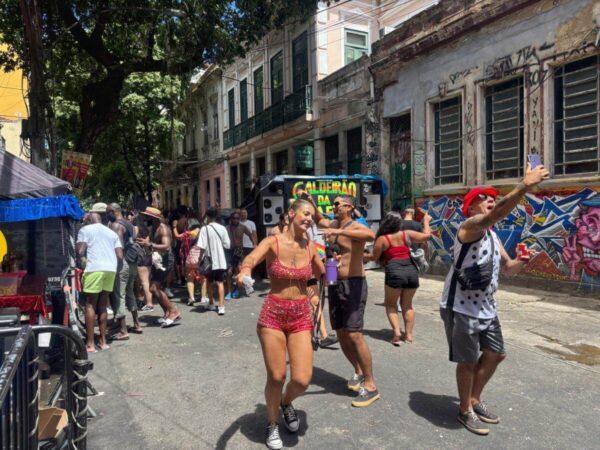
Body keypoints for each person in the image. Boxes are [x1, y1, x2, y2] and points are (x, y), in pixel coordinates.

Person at [440, 163, 548, 436]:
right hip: (461, 307)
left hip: (486, 307)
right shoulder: (469, 227)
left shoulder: (492, 235)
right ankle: (465, 410)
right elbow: (497, 214)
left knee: (496, 353)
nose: (490, 200)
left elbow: (508, 268)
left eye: (492, 197)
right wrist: (524, 185)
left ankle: (474, 399)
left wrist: (522, 261)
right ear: (471, 207)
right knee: (467, 361)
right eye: (483, 198)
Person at [236, 199, 324, 450]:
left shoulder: (310, 247)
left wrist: (322, 285)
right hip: (273, 314)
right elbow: (251, 258)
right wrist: (244, 272)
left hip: (300, 317)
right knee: (276, 375)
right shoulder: (272, 241)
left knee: (303, 379)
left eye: (312, 216)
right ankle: (272, 423)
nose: (309, 219)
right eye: (306, 214)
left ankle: (286, 403)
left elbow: (319, 276)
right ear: (291, 214)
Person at [313, 195, 379, 407]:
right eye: (334, 204)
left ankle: (371, 385)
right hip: (334, 283)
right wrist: (309, 202)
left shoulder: (355, 226)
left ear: (349, 207)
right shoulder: (332, 224)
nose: (333, 206)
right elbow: (317, 219)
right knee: (341, 333)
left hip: (354, 284)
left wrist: (339, 231)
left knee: (355, 334)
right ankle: (358, 371)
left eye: (337, 203)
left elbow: (370, 235)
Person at [365, 212, 432, 345]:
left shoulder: (383, 239)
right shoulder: (406, 234)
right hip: (411, 270)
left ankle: (396, 332)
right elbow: (427, 236)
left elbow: (374, 257)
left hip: (394, 271)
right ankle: (408, 336)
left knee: (390, 304)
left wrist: (362, 256)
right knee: (407, 305)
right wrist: (426, 222)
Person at [76, 203, 123, 353]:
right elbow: (120, 255)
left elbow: (80, 251)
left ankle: (90, 344)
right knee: (102, 305)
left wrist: (80, 247)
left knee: (90, 305)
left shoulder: (85, 229)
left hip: (94, 269)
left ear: (90, 216)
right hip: (110, 270)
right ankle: (103, 341)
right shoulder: (111, 233)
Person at [136, 207, 181, 327]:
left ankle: (173, 311)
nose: (145, 218)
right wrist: (145, 244)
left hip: (165, 260)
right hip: (159, 260)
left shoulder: (163, 229)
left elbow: (166, 246)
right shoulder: (154, 228)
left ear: (153, 217)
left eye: (147, 216)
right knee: (153, 288)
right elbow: (152, 244)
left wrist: (149, 244)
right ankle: (167, 312)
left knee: (154, 288)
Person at [107, 203, 143, 339]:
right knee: (130, 293)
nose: (107, 215)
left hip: (122, 264)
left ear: (113, 211)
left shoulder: (116, 225)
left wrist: (114, 263)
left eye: (107, 212)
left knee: (119, 295)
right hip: (132, 262)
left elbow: (119, 247)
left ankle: (123, 331)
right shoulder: (128, 223)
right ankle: (137, 324)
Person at [196, 207, 231, 315]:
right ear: (216, 216)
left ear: (207, 216)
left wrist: (199, 260)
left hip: (209, 261)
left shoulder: (204, 229)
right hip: (221, 260)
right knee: (220, 283)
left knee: (210, 282)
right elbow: (227, 245)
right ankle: (221, 306)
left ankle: (211, 303)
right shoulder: (223, 228)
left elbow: (201, 247)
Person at [226, 211, 255, 299]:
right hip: (229, 251)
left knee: (239, 270)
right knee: (229, 272)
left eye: (237, 218)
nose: (236, 220)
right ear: (231, 219)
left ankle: (239, 289)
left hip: (239, 250)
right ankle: (229, 291)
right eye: (234, 218)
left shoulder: (242, 227)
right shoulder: (227, 228)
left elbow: (250, 235)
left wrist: (254, 244)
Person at [135, 215, 154, 312]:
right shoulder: (146, 229)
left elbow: (133, 240)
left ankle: (149, 304)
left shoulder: (136, 228)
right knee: (147, 280)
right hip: (148, 255)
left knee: (144, 282)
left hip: (140, 256)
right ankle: (147, 301)